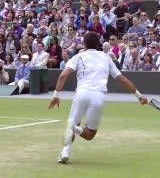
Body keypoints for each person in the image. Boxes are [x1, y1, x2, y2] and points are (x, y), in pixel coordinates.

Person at [48, 32, 148, 164]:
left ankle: (66, 149)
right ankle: (74, 130)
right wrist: (139, 96)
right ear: (99, 45)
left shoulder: (78, 57)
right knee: (90, 134)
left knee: (72, 123)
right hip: (98, 97)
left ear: (84, 44)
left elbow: (62, 76)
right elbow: (122, 79)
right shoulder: (106, 58)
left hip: (81, 94)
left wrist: (56, 95)